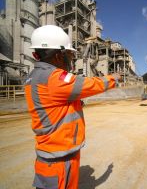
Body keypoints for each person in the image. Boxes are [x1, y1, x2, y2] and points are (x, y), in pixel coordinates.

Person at [24, 25, 121, 189]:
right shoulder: (54, 77)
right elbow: (90, 84)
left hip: (53, 154)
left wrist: (73, 102)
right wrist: (114, 78)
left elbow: (53, 104)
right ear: (58, 56)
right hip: (60, 159)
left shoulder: (33, 78)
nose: (72, 59)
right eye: (69, 54)